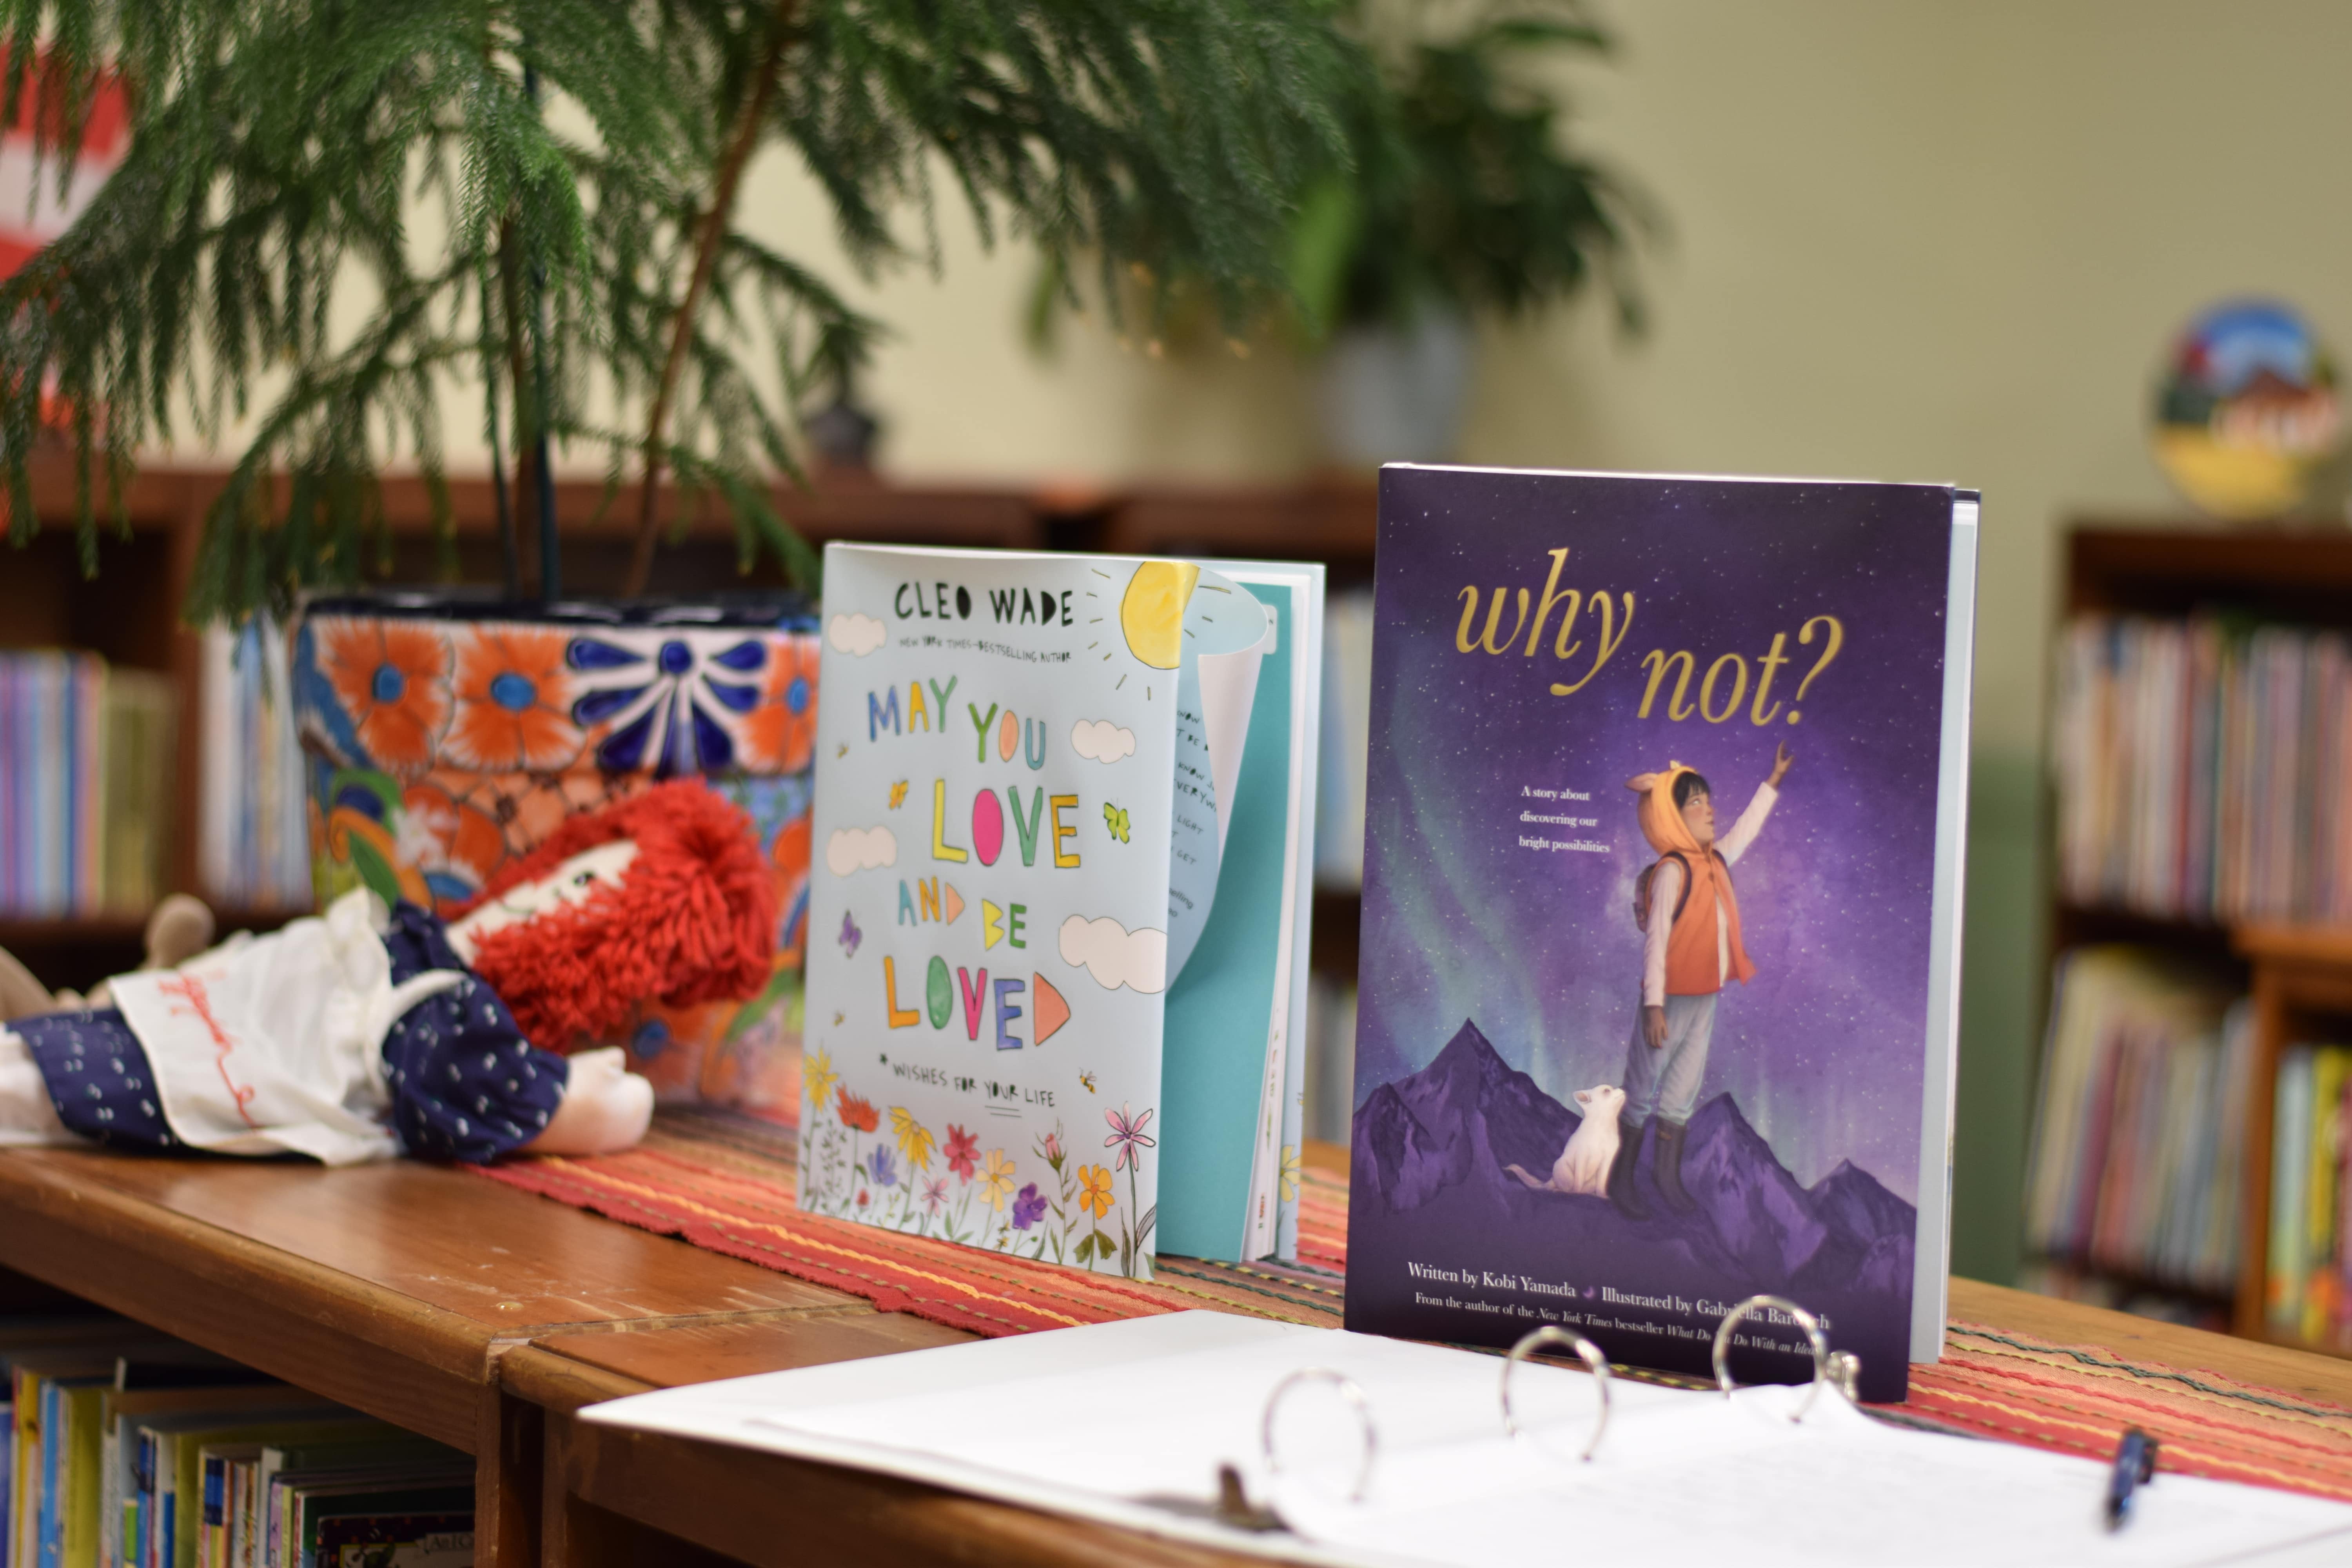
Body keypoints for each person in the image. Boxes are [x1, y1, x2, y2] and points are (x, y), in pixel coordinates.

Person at [0, 780, 774, 1164]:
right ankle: (99, 1002)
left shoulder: (450, 1008)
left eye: (584, 893)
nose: (550, 895)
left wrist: (565, 1094)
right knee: (170, 1011)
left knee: (116, 1059)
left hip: (264, 1031)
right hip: (265, 989)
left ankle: (62, 1025)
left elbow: (454, 1080)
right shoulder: (428, 951)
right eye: (571, 875)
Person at [1612, 744, 1793, 1218]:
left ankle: (1666, 1177)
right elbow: (1657, 940)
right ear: (1673, 816)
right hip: (1669, 998)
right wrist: (1654, 1004)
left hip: (1704, 996)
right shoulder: (1672, 871)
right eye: (1696, 803)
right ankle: (1621, 1178)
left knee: (1682, 1090)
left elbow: (1745, 832)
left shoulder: (1712, 863)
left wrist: (1772, 782)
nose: (1710, 809)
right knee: (1642, 1086)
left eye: (1708, 801)